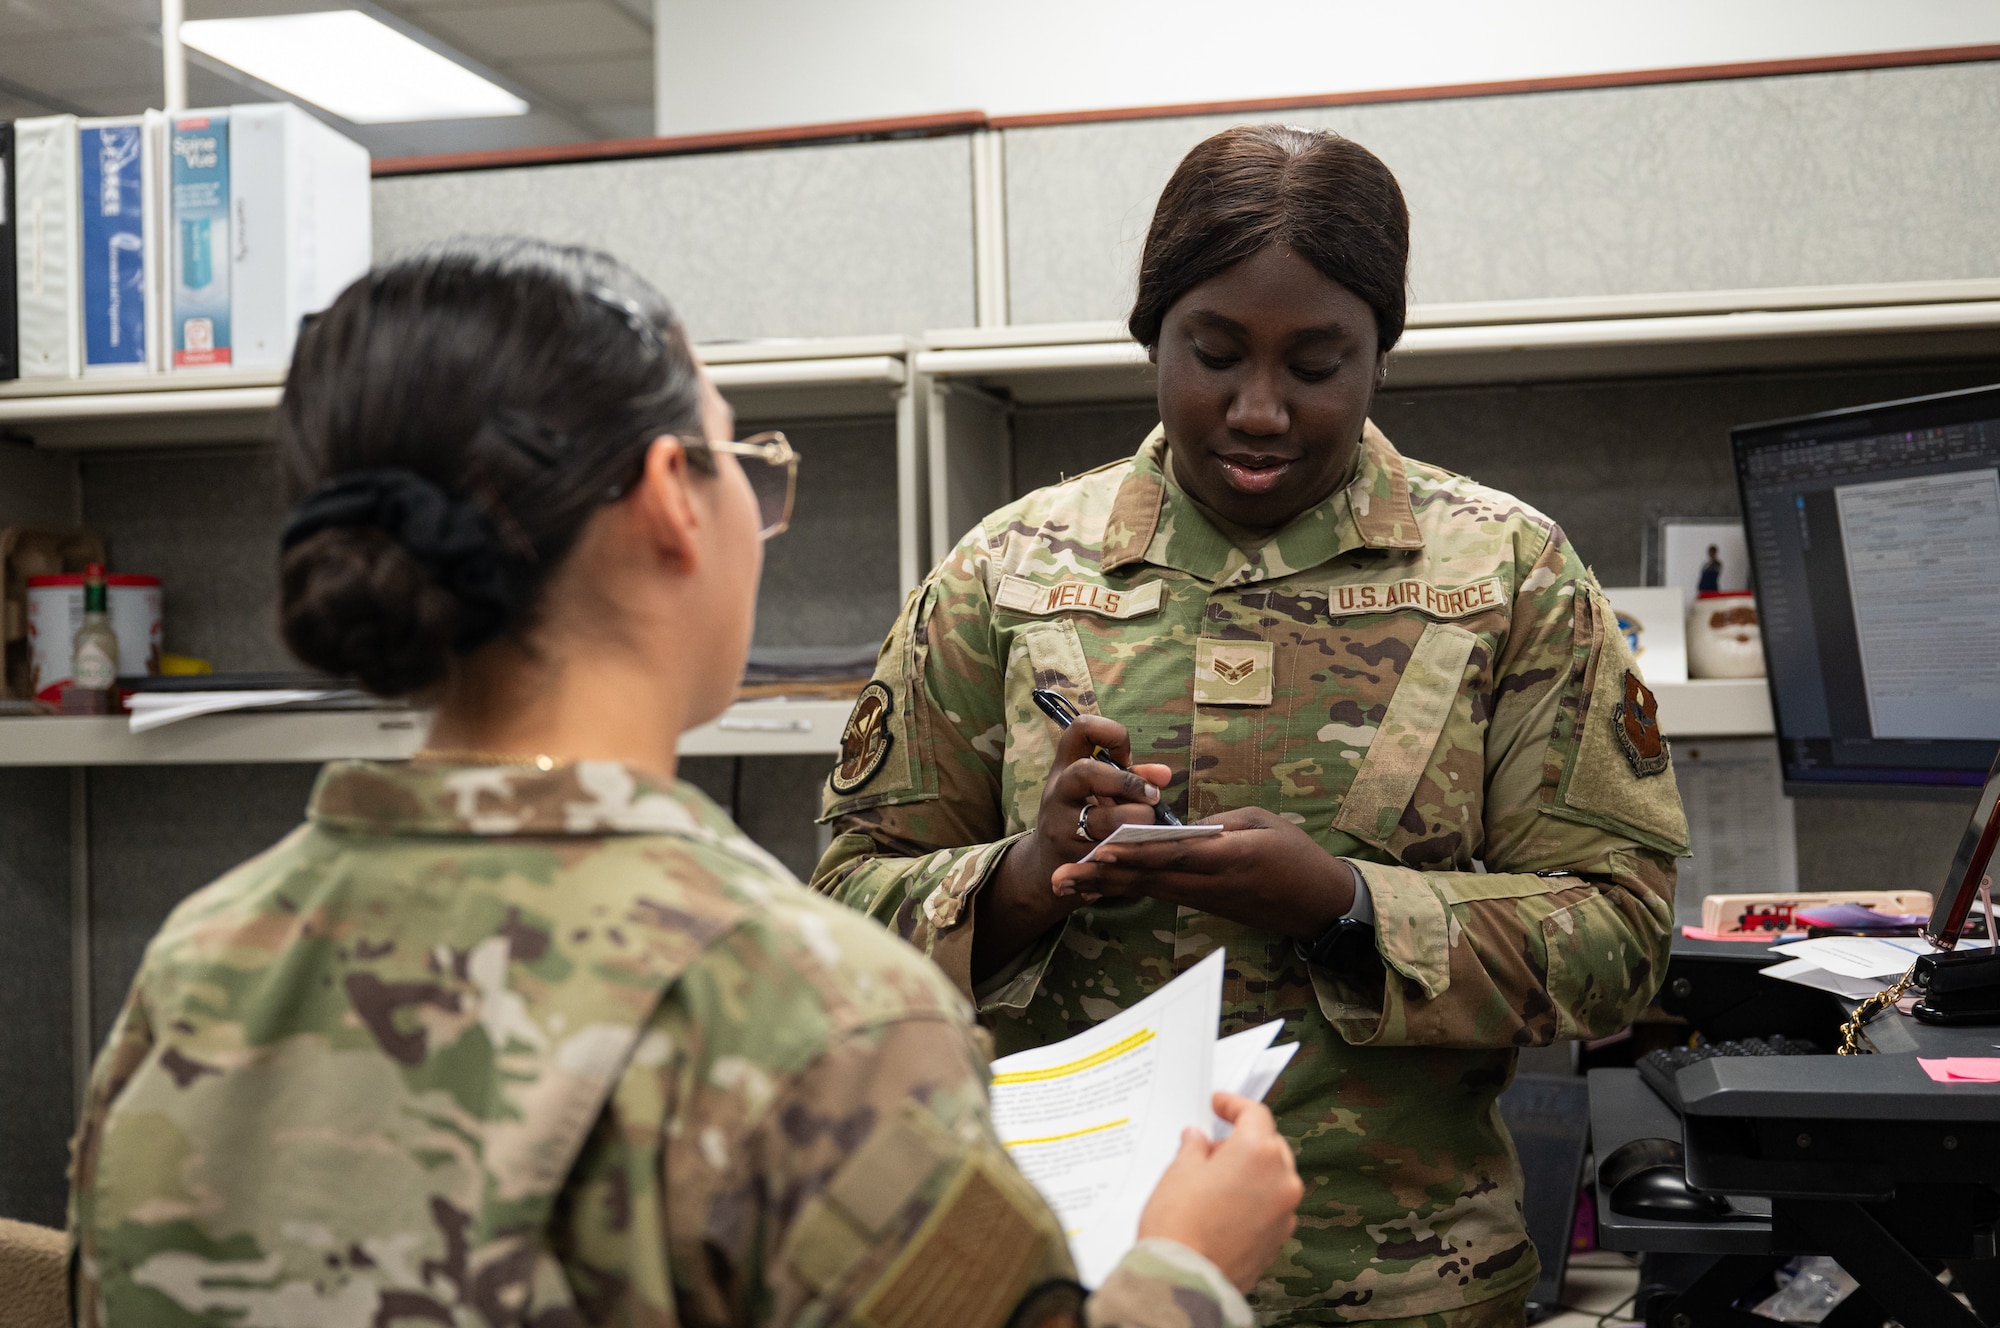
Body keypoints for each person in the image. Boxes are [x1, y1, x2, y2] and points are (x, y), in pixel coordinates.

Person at [66, 239, 1305, 1328]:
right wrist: (1186, 1267)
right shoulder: (806, 1010)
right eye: (739, 460)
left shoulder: (199, 963)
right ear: (671, 500)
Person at [813, 126, 1689, 1327]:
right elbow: (843, 918)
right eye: (1212, 355)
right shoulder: (1003, 576)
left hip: (1399, 1291)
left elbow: (1625, 938)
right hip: (1061, 1283)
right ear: (1149, 336)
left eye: (1316, 363)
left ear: (1380, 355)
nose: (1259, 410)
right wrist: (1022, 879)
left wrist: (1344, 906)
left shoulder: (1508, 574)